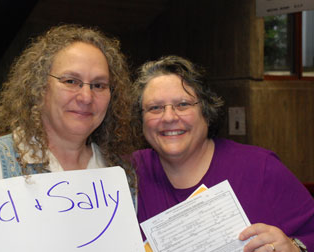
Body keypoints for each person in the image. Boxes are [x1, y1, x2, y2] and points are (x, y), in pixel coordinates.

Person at [130, 55, 314, 251]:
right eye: (155, 108)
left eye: (183, 104)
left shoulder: (261, 169)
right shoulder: (128, 174)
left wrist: (295, 247)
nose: (168, 117)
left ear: (207, 112)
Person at [0, 24, 135, 189]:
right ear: (40, 87)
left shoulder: (119, 173)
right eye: (70, 81)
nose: (86, 96)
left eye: (99, 85)